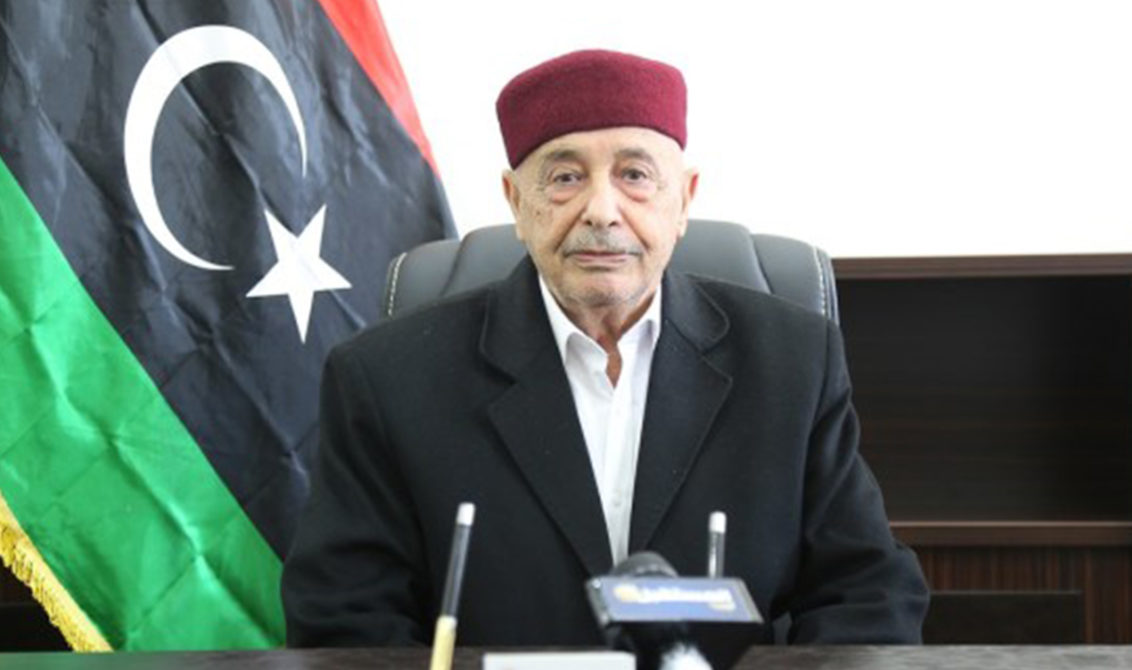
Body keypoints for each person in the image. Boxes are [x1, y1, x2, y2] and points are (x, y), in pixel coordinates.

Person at [282, 49, 928, 648]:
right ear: (516, 202)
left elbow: (869, 592)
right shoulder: (387, 378)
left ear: (684, 200)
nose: (602, 210)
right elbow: (345, 618)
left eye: (635, 175)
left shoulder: (792, 362)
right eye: (565, 177)